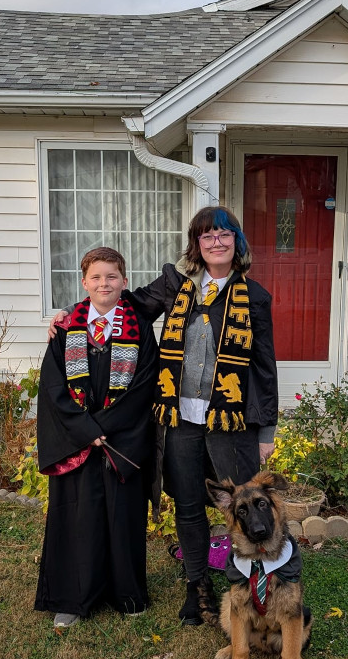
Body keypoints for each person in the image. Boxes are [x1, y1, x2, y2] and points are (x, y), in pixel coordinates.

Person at [49, 206, 278, 627]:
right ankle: (197, 587)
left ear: (236, 243)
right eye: (207, 236)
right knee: (188, 505)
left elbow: (264, 367)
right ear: (197, 243)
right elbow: (122, 303)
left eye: (224, 235)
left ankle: (252, 583)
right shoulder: (176, 285)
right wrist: (70, 313)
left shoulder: (256, 297)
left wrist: (267, 429)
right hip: (178, 418)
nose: (216, 242)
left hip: (231, 422)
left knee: (247, 505)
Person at [36, 247, 159, 628]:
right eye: (96, 277)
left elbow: (144, 387)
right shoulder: (67, 326)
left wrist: (104, 428)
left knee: (123, 517)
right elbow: (53, 388)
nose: (104, 283)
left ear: (125, 281)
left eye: (112, 276)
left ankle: (127, 592)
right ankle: (72, 598)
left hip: (120, 440)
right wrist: (87, 431)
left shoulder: (139, 327)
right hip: (77, 442)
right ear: (84, 282)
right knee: (77, 518)